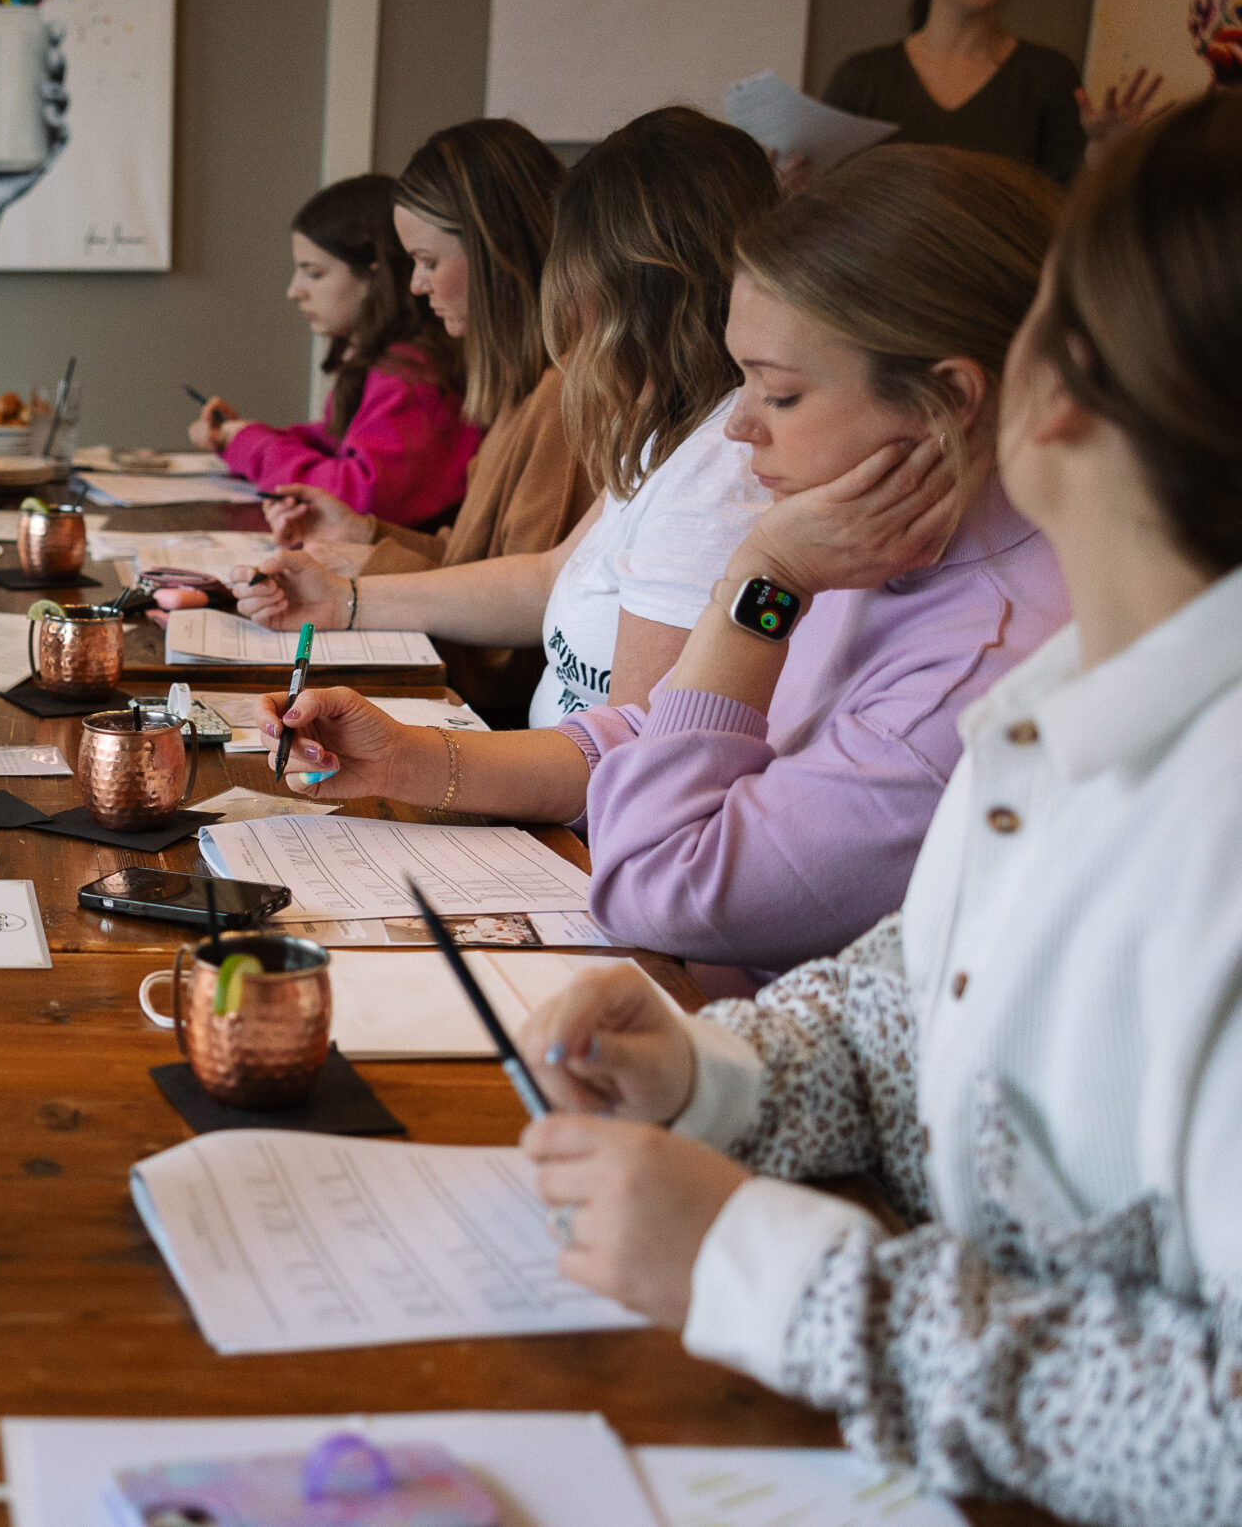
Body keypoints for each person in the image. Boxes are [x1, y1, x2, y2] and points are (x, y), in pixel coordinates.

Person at [511, 90, 1242, 1527]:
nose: (738, 424)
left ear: (1039, 391)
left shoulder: (1102, 718)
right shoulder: (1084, 685)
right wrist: (718, 1075)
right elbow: (925, 999)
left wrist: (765, 1273)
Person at [261, 146, 1069, 979]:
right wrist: (407, 757)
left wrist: (760, 584)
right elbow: (651, 734)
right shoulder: (875, 539)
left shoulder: (965, 676)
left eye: (781, 392)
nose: (738, 426)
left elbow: (658, 881)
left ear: (949, 401)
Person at [242, 108, 778, 730]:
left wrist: (412, 749)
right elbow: (544, 575)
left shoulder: (684, 449)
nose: (415, 286)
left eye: (427, 260)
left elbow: (611, 745)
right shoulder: (659, 431)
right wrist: (349, 585)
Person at [250, 119, 591, 720]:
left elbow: (514, 632)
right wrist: (363, 533)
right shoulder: (518, 389)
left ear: (494, 254)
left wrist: (357, 589)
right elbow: (474, 560)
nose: (415, 285)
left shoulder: (564, 397)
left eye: (428, 260)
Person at [819, 0, 1159, 187]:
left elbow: (1067, 210)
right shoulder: (863, 78)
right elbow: (827, 201)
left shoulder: (1048, 75)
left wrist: (1103, 154)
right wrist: (799, 184)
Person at [182, 175, 473, 529]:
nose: (294, 290)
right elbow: (340, 443)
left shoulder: (410, 378)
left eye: (314, 273)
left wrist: (251, 445)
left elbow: (358, 497)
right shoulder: (391, 364)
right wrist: (243, 435)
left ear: (374, 276)